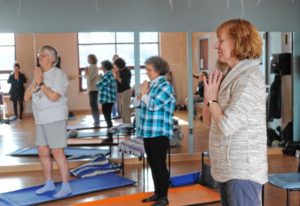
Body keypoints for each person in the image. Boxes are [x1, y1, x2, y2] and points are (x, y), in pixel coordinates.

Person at [203, 19, 268, 206]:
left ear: (238, 42)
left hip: (242, 171)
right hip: (227, 168)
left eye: (221, 40)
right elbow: (210, 121)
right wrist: (209, 97)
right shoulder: (229, 75)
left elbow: (227, 125)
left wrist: (213, 99)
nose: (216, 45)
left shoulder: (249, 78)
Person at [24, 45, 72, 198]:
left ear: (52, 59)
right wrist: (36, 81)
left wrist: (41, 83)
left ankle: (66, 186)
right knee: (42, 151)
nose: (40, 57)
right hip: (40, 119)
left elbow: (54, 97)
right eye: (40, 55)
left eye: (44, 55)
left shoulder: (59, 75)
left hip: (55, 117)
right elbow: (26, 97)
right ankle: (49, 183)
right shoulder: (39, 75)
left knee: (57, 152)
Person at [136, 56, 176, 206]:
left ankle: (164, 197)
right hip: (148, 131)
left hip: (159, 132)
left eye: (149, 69)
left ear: (159, 70)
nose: (147, 72)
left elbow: (153, 105)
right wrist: (141, 94)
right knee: (152, 164)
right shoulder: (151, 86)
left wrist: (145, 94)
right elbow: (139, 105)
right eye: (146, 69)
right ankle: (157, 193)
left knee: (160, 165)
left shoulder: (165, 86)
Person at [96, 60, 117, 141]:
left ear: (104, 66)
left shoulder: (108, 75)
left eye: (102, 66)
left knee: (107, 118)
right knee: (107, 117)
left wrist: (99, 79)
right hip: (108, 99)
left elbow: (99, 85)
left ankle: (110, 136)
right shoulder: (109, 74)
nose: (101, 67)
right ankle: (109, 135)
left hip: (108, 100)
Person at [114, 58, 132, 124]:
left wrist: (117, 77)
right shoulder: (120, 71)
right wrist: (116, 76)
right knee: (122, 110)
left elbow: (125, 82)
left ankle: (128, 124)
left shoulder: (126, 71)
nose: (115, 66)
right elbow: (117, 82)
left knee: (125, 110)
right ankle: (125, 123)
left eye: (115, 65)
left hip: (126, 91)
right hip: (121, 92)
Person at [86, 54, 100, 125]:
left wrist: (87, 73)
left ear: (92, 59)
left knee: (94, 105)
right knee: (92, 105)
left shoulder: (94, 67)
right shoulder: (91, 67)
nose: (87, 60)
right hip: (91, 88)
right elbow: (87, 77)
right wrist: (87, 73)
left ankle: (97, 121)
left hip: (94, 89)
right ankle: (95, 120)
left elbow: (90, 77)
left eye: (88, 58)